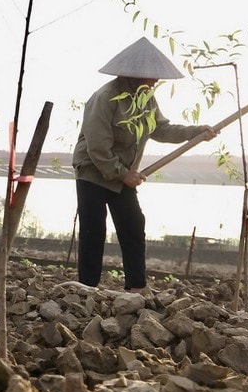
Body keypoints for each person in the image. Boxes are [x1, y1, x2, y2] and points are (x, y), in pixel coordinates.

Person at [71, 37, 217, 291]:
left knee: (134, 224)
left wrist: (195, 132)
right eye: (152, 77)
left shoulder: (146, 99)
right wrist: (123, 174)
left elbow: (160, 129)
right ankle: (87, 288)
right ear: (136, 75)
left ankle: (136, 287)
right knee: (94, 229)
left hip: (123, 175)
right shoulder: (106, 98)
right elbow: (98, 147)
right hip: (94, 171)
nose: (156, 82)